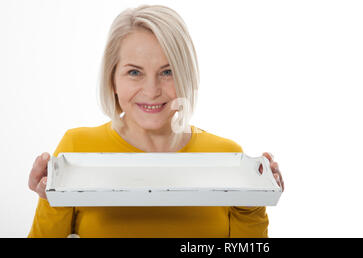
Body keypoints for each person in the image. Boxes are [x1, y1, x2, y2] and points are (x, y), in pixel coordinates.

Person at [27, 4, 284, 238]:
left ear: (186, 75)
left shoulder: (227, 157)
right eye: (134, 72)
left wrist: (256, 199)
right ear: (112, 79)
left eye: (167, 72)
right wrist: (52, 199)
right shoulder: (77, 148)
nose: (152, 90)